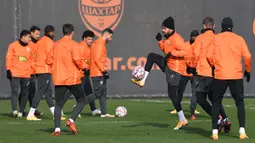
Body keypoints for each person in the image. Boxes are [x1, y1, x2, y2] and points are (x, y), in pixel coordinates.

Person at [131, 16, 189, 130]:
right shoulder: (167, 38)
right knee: (152, 56)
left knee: (172, 95)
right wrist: (159, 42)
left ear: (170, 28)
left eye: (164, 28)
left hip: (175, 70)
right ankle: (142, 80)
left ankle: (182, 119)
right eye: (162, 28)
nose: (162, 30)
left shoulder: (177, 38)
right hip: (169, 65)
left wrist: (173, 53)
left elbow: (185, 52)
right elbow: (165, 50)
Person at [208, 17, 251, 140]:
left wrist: (214, 66)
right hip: (235, 76)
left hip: (220, 74)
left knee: (216, 102)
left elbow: (209, 55)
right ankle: (242, 131)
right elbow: (247, 56)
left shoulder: (216, 38)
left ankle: (215, 132)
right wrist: (248, 70)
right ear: (232, 27)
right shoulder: (239, 39)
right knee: (240, 102)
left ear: (221, 26)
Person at [188, 17, 231, 132]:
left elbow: (195, 54)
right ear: (214, 26)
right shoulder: (218, 38)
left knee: (200, 98)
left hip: (204, 73)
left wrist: (191, 67)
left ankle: (218, 120)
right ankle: (225, 119)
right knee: (214, 99)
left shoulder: (200, 39)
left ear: (204, 26)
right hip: (217, 74)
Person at [48, 24, 87, 135]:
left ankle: (57, 129)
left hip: (59, 78)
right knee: (82, 100)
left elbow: (48, 60)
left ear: (63, 32)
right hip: (72, 79)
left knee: (58, 104)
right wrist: (83, 68)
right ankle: (71, 120)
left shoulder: (55, 45)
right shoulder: (74, 44)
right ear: (72, 33)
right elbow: (78, 60)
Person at [26, 25, 63, 121]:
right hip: (45, 69)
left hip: (39, 69)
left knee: (48, 93)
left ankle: (55, 114)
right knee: (41, 91)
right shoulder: (50, 42)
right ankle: (30, 114)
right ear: (52, 32)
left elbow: (35, 56)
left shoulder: (40, 41)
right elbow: (50, 58)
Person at [170, 30, 200, 120]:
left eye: (195, 37)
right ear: (190, 36)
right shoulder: (186, 45)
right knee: (180, 91)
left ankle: (192, 111)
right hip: (185, 72)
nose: (194, 39)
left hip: (194, 73)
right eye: (193, 37)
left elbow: (198, 58)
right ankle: (177, 107)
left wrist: (194, 67)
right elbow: (183, 55)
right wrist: (189, 65)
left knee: (194, 93)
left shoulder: (197, 46)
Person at [6, 30, 32, 118]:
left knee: (25, 93)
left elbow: (31, 60)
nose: (30, 39)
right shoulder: (13, 45)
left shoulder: (30, 47)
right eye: (29, 37)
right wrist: (8, 70)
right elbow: (8, 58)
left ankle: (21, 111)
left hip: (26, 74)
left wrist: (32, 72)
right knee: (15, 92)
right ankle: (14, 110)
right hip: (15, 74)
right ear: (23, 37)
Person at [90, 28, 115, 118]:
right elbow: (97, 59)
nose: (111, 39)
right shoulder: (99, 44)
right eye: (111, 37)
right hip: (97, 73)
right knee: (97, 93)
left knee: (103, 93)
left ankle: (104, 113)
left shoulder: (101, 43)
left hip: (100, 72)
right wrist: (103, 71)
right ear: (107, 35)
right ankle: (80, 103)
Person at [20, 26, 43, 116]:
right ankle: (21, 110)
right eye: (36, 34)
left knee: (32, 91)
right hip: (26, 72)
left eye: (39, 34)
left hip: (33, 72)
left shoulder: (38, 44)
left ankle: (32, 109)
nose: (38, 36)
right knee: (24, 91)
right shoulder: (28, 45)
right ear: (31, 33)